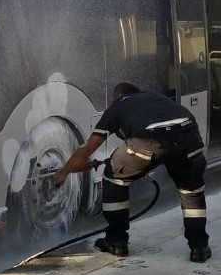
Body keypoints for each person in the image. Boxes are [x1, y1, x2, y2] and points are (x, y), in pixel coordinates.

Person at [54, 81, 210, 262]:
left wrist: (63, 173)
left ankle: (116, 241)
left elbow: (87, 151)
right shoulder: (155, 97)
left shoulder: (118, 106)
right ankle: (199, 247)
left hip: (148, 142)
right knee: (191, 192)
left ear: (118, 96)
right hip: (190, 138)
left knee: (114, 179)